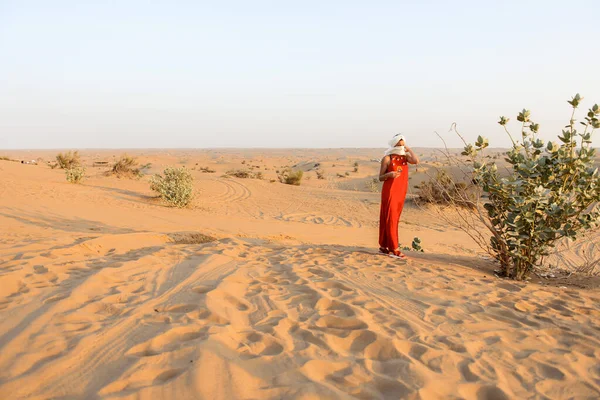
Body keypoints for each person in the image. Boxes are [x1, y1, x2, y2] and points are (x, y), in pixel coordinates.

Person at [378, 134, 420, 259]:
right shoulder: (387, 158)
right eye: (399, 142)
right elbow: (380, 177)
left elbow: (416, 161)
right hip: (390, 191)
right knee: (391, 218)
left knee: (393, 218)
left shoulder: (405, 157)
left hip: (401, 191)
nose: (401, 144)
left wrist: (409, 149)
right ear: (394, 143)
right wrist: (389, 174)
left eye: (403, 142)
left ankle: (384, 247)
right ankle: (394, 249)